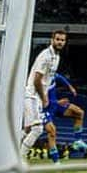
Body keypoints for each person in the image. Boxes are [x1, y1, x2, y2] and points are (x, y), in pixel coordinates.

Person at [21, 29, 68, 162]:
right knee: (38, 129)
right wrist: (44, 97)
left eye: (62, 40)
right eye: (57, 39)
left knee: (28, 129)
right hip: (32, 95)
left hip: (38, 97)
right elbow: (37, 80)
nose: (60, 42)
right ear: (52, 40)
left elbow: (48, 81)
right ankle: (19, 159)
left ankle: (10, 151)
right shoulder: (45, 56)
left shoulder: (56, 57)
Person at [47, 70, 87, 155]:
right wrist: (57, 102)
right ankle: (56, 161)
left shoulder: (50, 74)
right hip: (46, 108)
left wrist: (70, 87)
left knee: (79, 113)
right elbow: (40, 100)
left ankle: (78, 141)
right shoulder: (39, 81)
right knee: (51, 132)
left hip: (56, 105)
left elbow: (59, 77)